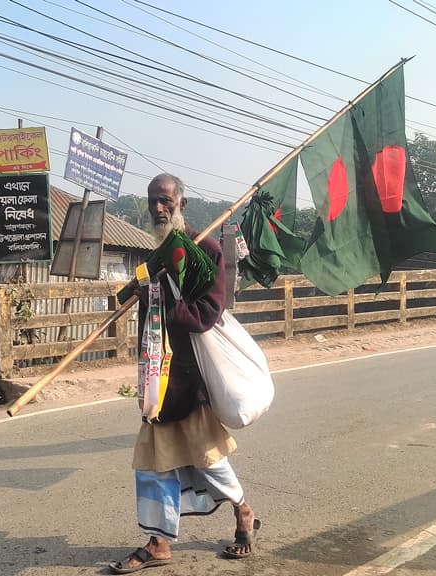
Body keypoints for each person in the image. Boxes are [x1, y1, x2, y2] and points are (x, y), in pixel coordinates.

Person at [109, 174, 260, 574]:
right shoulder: (156, 252)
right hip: (156, 372)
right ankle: (159, 542)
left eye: (165, 200)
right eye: (152, 201)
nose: (158, 209)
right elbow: (138, 301)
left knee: (207, 458)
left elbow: (208, 314)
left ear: (182, 203)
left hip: (189, 376)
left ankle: (243, 510)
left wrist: (163, 299)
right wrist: (135, 296)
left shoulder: (204, 248)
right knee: (153, 461)